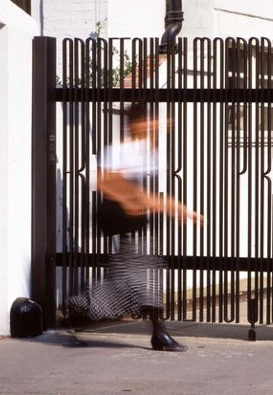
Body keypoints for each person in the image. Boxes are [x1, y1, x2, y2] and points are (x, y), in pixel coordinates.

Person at [69, 102, 202, 352]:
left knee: (136, 279)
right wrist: (138, 200)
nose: (153, 127)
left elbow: (148, 193)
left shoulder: (148, 151)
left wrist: (174, 209)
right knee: (142, 279)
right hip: (124, 223)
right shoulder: (118, 150)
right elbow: (106, 183)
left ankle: (84, 305)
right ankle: (157, 333)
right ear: (134, 124)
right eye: (147, 122)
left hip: (139, 223)